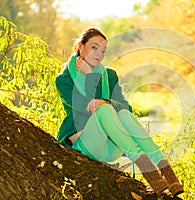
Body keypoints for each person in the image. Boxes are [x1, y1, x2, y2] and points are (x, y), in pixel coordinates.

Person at [55, 27, 184, 196]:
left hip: (110, 145)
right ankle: (148, 170)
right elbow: (85, 109)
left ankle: (167, 172)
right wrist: (89, 76)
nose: (99, 55)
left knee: (122, 114)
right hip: (85, 144)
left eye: (103, 50)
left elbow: (124, 107)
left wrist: (105, 100)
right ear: (80, 46)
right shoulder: (64, 79)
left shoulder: (109, 75)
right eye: (94, 47)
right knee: (103, 110)